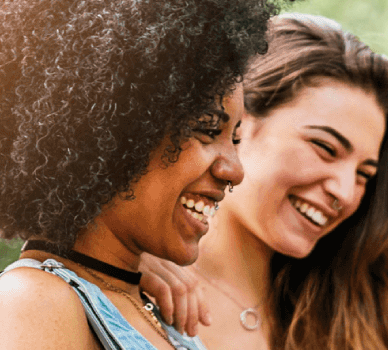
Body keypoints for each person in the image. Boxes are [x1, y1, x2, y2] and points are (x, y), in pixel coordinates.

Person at [139, 13, 388, 350]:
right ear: (240, 121)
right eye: (325, 148)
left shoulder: (354, 324)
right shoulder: (127, 285)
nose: (345, 192)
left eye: (364, 175)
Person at [0, 0, 275, 349]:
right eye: (207, 129)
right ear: (113, 129)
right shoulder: (32, 301)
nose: (235, 171)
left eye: (235, 139)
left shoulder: (154, 306)